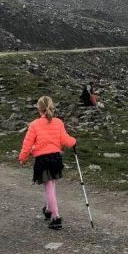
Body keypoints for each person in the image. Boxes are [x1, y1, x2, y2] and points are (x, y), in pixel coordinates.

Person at [19, 96, 76, 230]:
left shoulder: (34, 124)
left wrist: (22, 158)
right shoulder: (58, 122)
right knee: (52, 185)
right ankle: (49, 209)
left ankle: (56, 217)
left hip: (43, 160)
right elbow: (65, 140)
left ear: (39, 109)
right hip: (55, 158)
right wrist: (74, 141)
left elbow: (27, 144)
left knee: (49, 187)